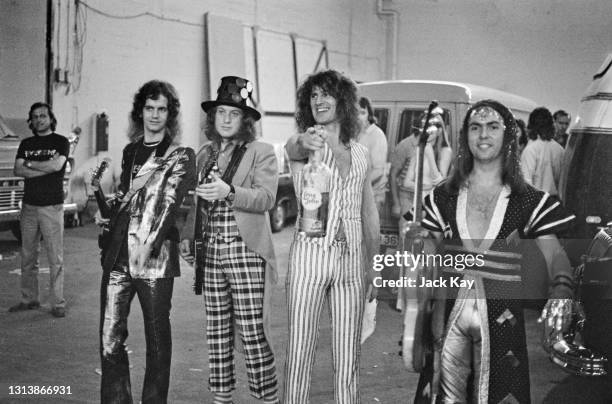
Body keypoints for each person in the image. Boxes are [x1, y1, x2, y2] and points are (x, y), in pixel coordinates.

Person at [414, 99, 576, 403]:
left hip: (505, 323)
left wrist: (562, 290)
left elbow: (555, 255)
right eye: (475, 127)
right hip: (446, 316)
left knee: (503, 395)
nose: (483, 135)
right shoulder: (443, 196)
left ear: (508, 136)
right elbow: (428, 246)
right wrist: (417, 248)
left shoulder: (529, 201)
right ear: (466, 137)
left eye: (492, 127)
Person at [180, 76, 280, 404]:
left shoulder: (261, 152)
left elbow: (265, 199)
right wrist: (188, 238)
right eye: (221, 112)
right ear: (213, 118)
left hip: (245, 251)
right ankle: (222, 398)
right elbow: (194, 201)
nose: (225, 119)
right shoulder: (204, 153)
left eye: (233, 113)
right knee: (217, 332)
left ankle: (266, 398)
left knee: (252, 333)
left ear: (245, 120)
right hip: (210, 252)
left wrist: (230, 191)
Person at [284, 69, 380, 403]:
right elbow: (292, 146)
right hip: (309, 259)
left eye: (327, 93)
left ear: (343, 100)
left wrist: (374, 265)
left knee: (348, 359)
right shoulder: (306, 143)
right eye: (313, 95)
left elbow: (369, 212)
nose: (320, 100)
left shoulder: (361, 154)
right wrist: (303, 140)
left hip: (352, 262)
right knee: (299, 352)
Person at [96, 80, 195, 403]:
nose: (154, 115)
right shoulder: (130, 151)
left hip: (153, 258)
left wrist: (140, 245)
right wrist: (107, 212)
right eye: (149, 108)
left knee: (156, 341)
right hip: (117, 257)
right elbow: (128, 199)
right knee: (109, 340)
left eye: (161, 109)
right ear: (140, 111)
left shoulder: (180, 156)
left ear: (170, 114)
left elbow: (165, 206)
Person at [9, 102, 69, 318]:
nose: (39, 120)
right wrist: (44, 166)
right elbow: (17, 169)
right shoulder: (26, 143)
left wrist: (31, 165)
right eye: (35, 117)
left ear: (50, 118)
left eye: (43, 116)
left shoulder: (60, 142)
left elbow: (56, 166)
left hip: (51, 206)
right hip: (29, 207)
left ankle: (58, 303)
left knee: (55, 257)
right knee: (27, 255)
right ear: (31, 120)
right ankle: (29, 299)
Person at [520, 107, 565, 197]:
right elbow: (561, 181)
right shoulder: (559, 149)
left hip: (536, 202)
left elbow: (525, 183)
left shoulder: (530, 149)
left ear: (531, 125)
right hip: (554, 201)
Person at [357, 96, 388, 212]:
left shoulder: (376, 134)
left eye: (362, 112)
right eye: (354, 112)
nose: (358, 117)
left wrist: (354, 187)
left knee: (367, 230)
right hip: (356, 197)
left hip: (372, 196)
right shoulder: (354, 134)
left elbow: (378, 171)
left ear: (369, 114)